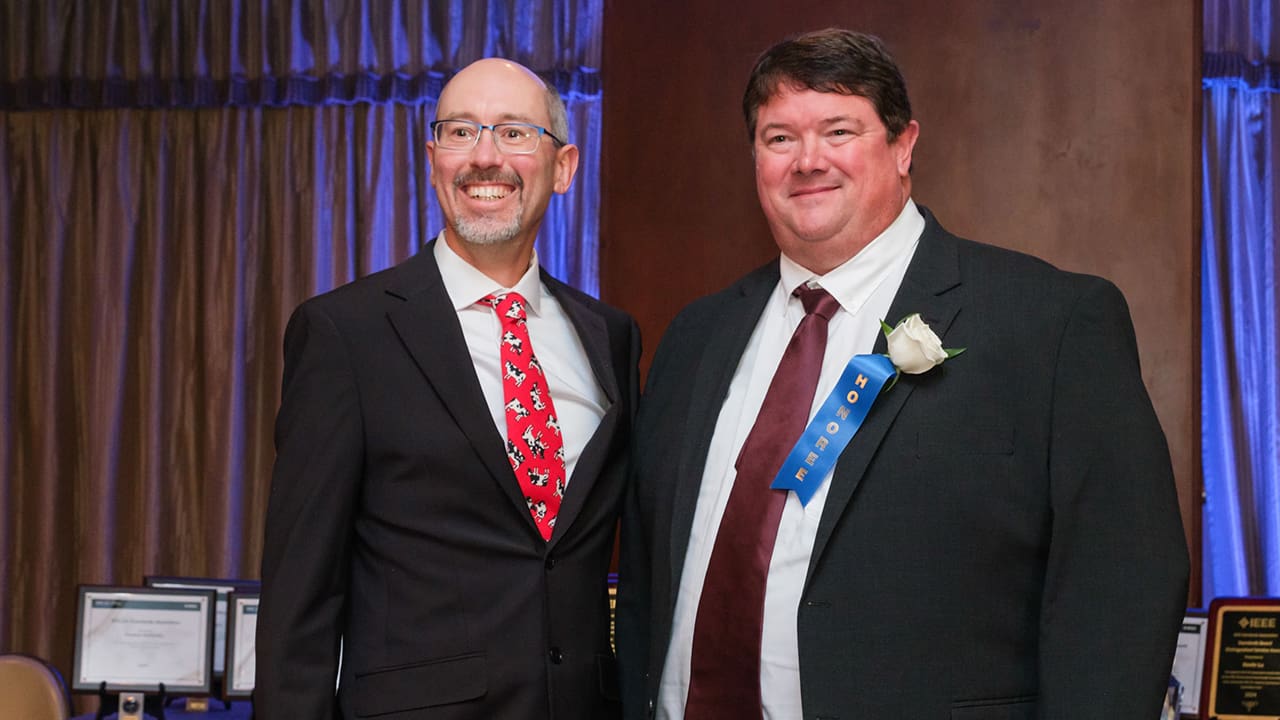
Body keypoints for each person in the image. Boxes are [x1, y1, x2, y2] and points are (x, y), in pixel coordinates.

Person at [617, 28, 1188, 719]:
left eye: (838, 130)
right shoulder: (695, 336)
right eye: (778, 139)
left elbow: (1122, 587)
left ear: (904, 143)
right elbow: (648, 572)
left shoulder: (1050, 323)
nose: (808, 161)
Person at [256, 58, 638, 720]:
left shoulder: (610, 336)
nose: (484, 157)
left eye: (515, 133)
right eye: (461, 132)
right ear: (433, 159)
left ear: (565, 167)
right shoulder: (346, 334)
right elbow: (301, 594)